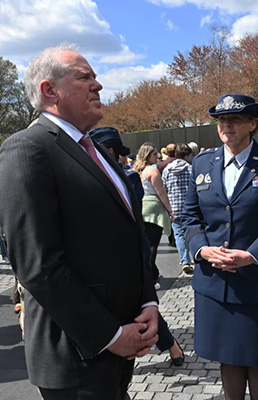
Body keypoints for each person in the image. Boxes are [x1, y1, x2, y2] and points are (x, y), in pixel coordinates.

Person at [0, 44, 158, 400]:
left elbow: (131, 237)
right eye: (84, 77)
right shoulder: (27, 150)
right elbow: (38, 266)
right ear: (49, 90)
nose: (97, 85)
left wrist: (148, 304)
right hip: (76, 355)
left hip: (120, 343)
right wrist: (110, 336)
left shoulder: (98, 152)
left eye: (96, 77)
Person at [182, 94, 258, 400]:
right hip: (216, 281)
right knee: (229, 355)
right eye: (222, 120)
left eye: (234, 119)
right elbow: (189, 217)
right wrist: (202, 250)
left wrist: (253, 254)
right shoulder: (202, 163)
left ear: (252, 124)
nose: (227, 125)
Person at [91, 127, 185, 367]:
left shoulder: (128, 176)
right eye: (121, 154)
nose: (123, 158)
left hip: (127, 251)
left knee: (137, 305)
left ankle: (170, 345)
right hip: (98, 255)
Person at [134, 143, 174, 290]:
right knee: (152, 245)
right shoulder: (153, 171)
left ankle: (153, 272)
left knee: (145, 242)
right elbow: (161, 192)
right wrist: (170, 210)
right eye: (154, 153)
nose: (157, 156)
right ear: (148, 155)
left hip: (141, 206)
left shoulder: (137, 170)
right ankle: (149, 278)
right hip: (154, 207)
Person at [163, 143, 194, 274]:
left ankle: (185, 260)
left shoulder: (167, 170)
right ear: (187, 155)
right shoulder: (191, 169)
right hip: (189, 208)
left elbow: (164, 189)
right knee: (193, 234)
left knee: (179, 235)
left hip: (174, 208)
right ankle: (197, 258)